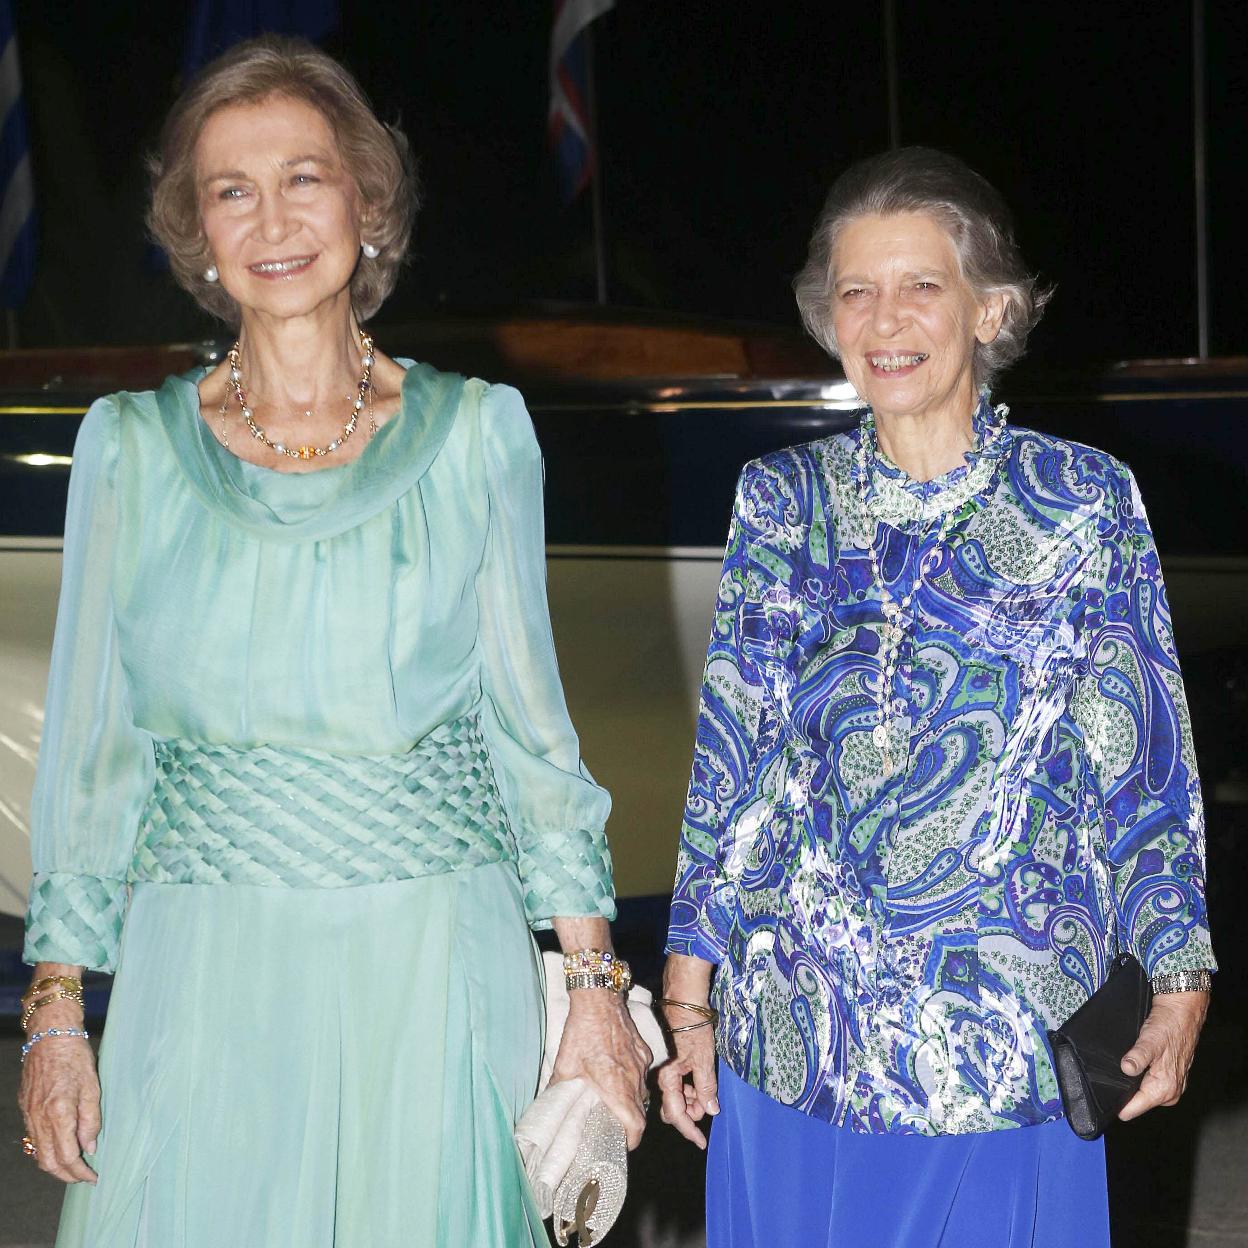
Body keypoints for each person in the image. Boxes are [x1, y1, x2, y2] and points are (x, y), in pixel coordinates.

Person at [16, 36, 649, 1247]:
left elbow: (533, 737)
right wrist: (57, 1014)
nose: (273, 220)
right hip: (204, 965)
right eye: (232, 190)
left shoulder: (478, 435)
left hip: (430, 960)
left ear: (367, 199)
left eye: (304, 178)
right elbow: (92, 756)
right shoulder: (129, 450)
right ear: (197, 230)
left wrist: (591, 990)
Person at [657, 147, 1214, 1246]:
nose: (885, 320)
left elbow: (1142, 761)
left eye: (921, 285)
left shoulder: (1081, 500)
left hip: (1000, 1039)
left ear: (989, 309)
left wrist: (1180, 975)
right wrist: (687, 995)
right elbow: (734, 753)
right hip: (795, 1024)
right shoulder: (781, 498)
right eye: (856, 291)